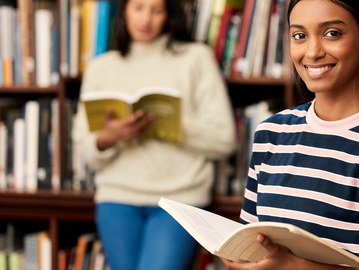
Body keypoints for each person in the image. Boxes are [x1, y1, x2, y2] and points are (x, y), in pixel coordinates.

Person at [222, 0, 359, 269]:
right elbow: (250, 244)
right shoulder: (270, 133)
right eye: (300, 35)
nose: (312, 52)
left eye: (332, 33)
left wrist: (294, 266)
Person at [72, 0, 236, 269]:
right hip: (116, 198)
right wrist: (109, 138)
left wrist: (172, 127)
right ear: (124, 11)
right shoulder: (102, 67)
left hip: (180, 199)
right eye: (138, 8)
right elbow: (87, 152)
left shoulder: (196, 58)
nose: (146, 19)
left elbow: (224, 140)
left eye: (156, 10)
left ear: (169, 15)